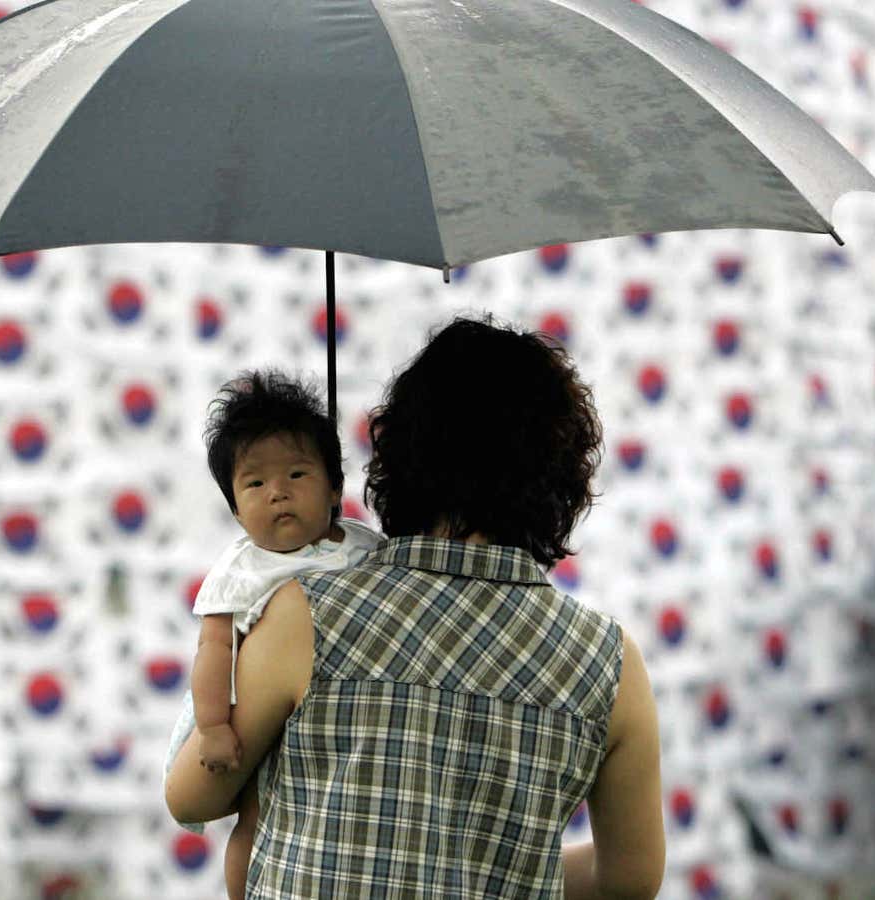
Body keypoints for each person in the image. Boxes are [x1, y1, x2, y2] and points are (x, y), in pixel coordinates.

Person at [165, 314, 666, 899]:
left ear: (400, 453)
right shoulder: (610, 663)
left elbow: (190, 797)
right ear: (559, 477)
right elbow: (628, 881)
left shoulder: (306, 615)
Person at [160, 368, 385, 899]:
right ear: (236, 509)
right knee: (258, 817)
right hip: (240, 709)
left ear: (335, 485)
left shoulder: (361, 547)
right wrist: (214, 727)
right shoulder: (242, 571)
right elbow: (213, 649)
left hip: (324, 714)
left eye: (298, 475)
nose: (278, 493)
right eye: (255, 484)